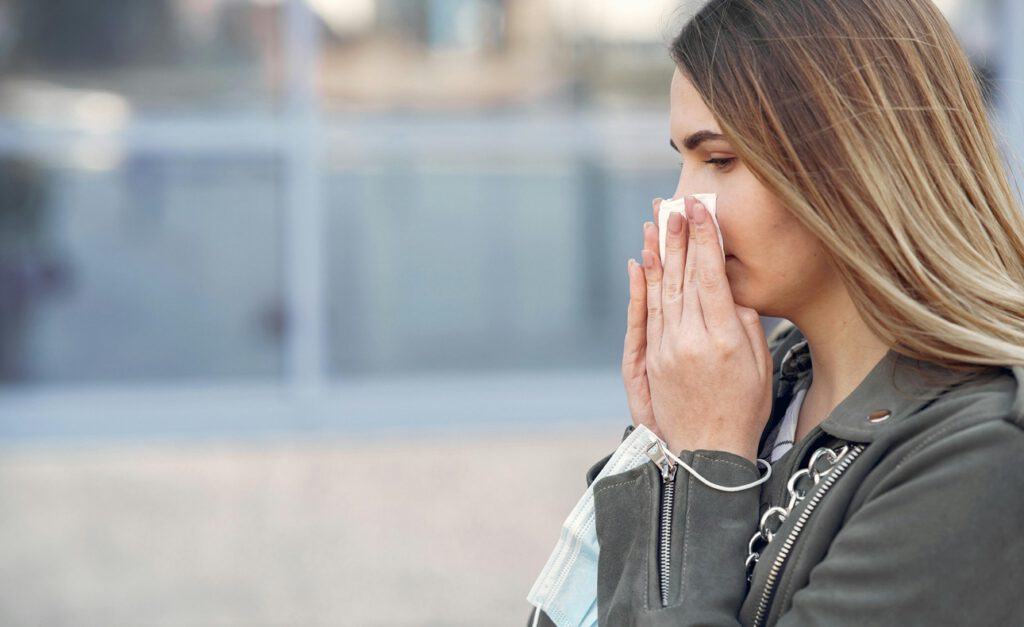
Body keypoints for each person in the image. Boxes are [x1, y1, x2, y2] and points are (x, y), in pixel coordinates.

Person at [528, 0, 1024, 624]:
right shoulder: (756, 391)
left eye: (720, 160)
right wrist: (661, 447)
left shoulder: (983, 454)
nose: (681, 206)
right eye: (681, 160)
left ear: (855, 163)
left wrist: (701, 464)